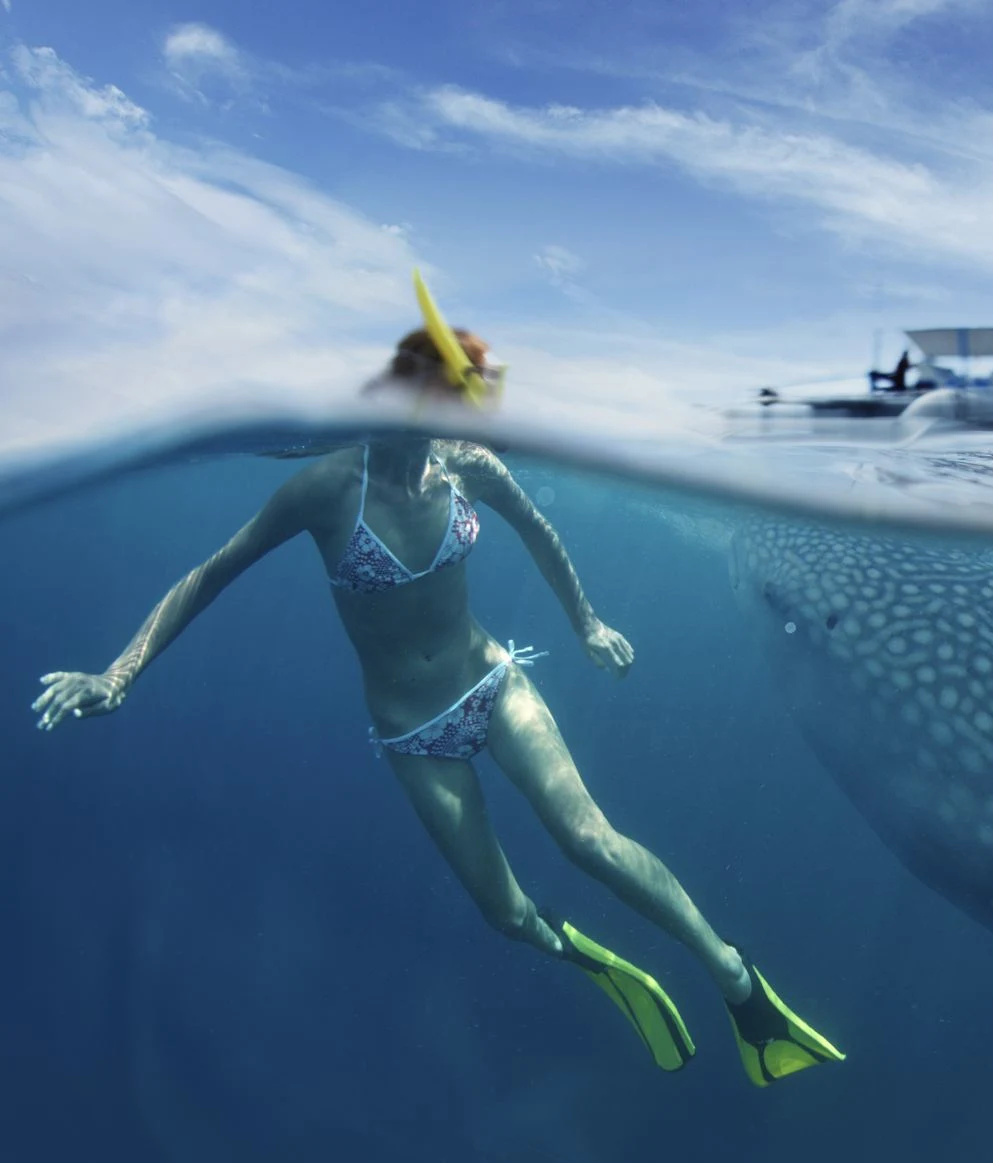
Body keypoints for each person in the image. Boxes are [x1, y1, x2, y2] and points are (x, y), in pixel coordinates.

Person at [31, 274, 843, 1089]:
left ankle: (740, 986)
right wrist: (120, 672)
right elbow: (213, 573)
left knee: (588, 839)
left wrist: (585, 621)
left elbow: (540, 530)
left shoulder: (469, 467)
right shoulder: (324, 489)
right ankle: (590, 959)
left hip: (492, 684)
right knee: (506, 915)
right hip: (412, 732)